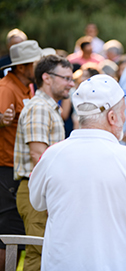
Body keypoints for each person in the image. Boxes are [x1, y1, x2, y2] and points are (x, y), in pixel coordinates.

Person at [28, 74, 126, 271]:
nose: (124, 118)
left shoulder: (52, 155)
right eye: (123, 112)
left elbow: (37, 202)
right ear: (112, 117)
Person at [14, 54, 74, 271]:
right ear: (47, 78)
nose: (71, 83)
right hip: (36, 190)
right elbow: (38, 155)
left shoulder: (49, 107)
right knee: (39, 253)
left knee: (44, 253)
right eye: (66, 78)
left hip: (42, 189)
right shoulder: (39, 107)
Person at [0, 40, 44, 271]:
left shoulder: (26, 86)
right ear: (22, 66)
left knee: (15, 230)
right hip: (6, 168)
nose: (39, 65)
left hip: (16, 170)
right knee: (6, 233)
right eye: (35, 62)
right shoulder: (6, 88)